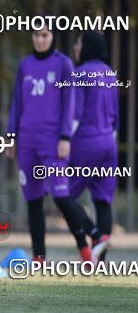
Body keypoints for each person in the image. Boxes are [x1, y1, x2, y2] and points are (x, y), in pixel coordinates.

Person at [5, 24, 91, 263]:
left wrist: (65, 137)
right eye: (36, 35)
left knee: (61, 196)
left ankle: (86, 249)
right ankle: (39, 257)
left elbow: (69, 103)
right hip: (26, 142)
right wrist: (11, 137)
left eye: (45, 35)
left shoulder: (63, 64)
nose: (41, 40)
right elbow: (17, 104)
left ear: (53, 37)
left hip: (53, 142)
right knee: (33, 201)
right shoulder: (25, 65)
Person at [70, 30, 119, 263]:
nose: (75, 48)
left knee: (64, 195)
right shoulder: (110, 74)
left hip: (85, 142)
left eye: (78, 43)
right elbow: (116, 115)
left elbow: (76, 114)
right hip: (109, 142)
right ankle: (101, 260)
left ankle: (96, 236)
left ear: (87, 46)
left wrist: (62, 139)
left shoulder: (79, 74)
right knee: (102, 201)